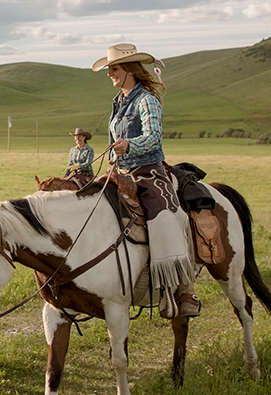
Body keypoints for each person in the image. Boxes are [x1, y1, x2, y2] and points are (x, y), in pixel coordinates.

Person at [93, 43, 199, 319]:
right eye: (108, 69)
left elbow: (153, 136)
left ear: (128, 69)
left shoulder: (146, 99)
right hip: (121, 172)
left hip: (148, 170)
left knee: (167, 217)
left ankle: (183, 287)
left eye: (113, 68)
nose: (109, 74)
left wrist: (129, 145)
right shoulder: (119, 101)